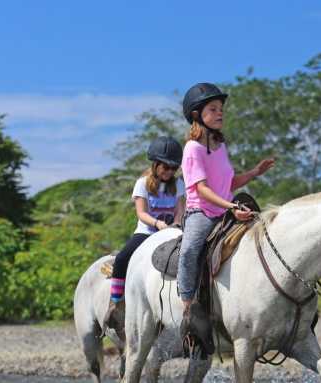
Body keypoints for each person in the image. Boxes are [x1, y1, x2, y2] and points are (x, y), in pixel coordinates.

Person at [176, 82, 275, 336]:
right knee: (189, 251)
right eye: (213, 109)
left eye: (221, 109)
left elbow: (227, 183)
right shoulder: (192, 148)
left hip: (226, 210)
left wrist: (255, 172)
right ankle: (186, 306)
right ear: (198, 115)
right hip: (202, 213)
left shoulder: (220, 147)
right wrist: (232, 206)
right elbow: (203, 190)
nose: (220, 113)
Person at [104, 136, 186, 332]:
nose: (169, 172)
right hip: (146, 231)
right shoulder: (142, 183)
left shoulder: (179, 185)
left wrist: (175, 223)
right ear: (155, 165)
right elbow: (141, 213)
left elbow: (180, 209)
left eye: (173, 169)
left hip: (171, 230)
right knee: (123, 258)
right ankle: (115, 303)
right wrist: (158, 224)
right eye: (165, 167)